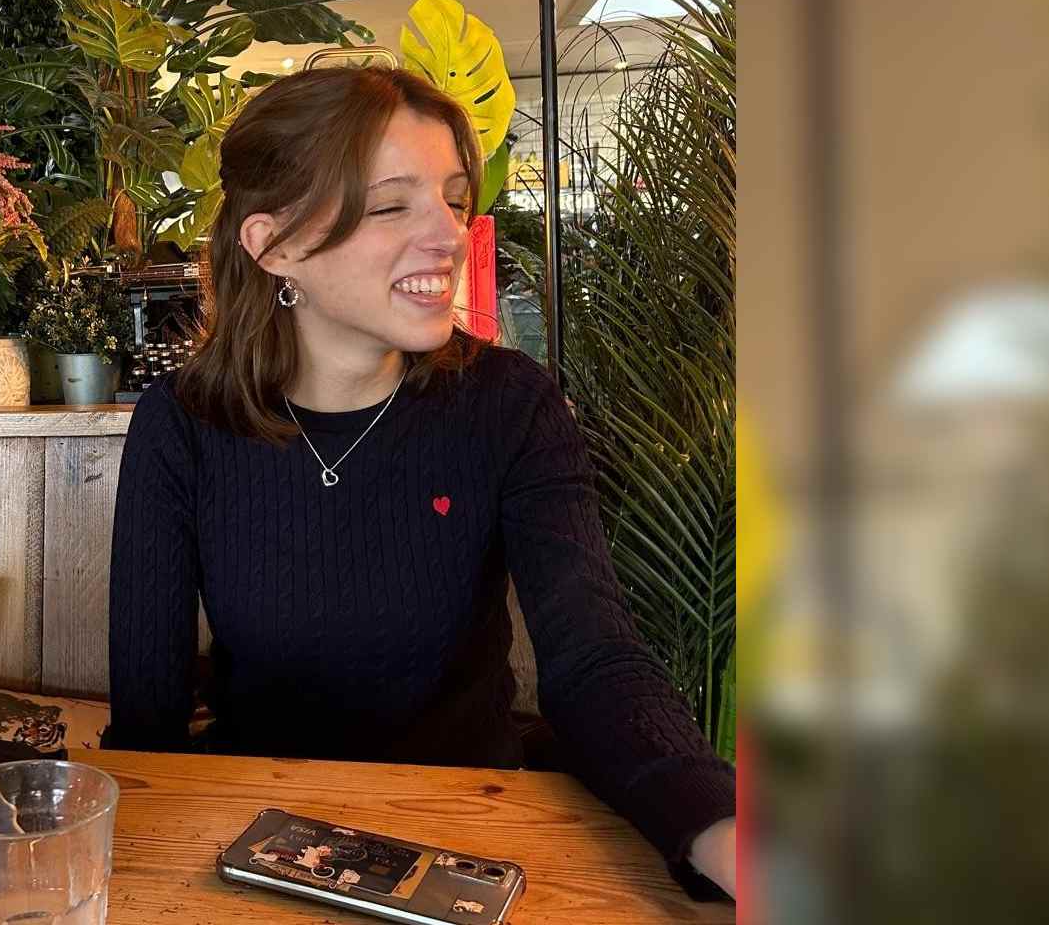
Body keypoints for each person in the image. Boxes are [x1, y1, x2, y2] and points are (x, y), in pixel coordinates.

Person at [105, 67, 737, 899]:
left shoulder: (511, 407)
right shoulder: (183, 424)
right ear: (273, 243)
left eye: (450, 198)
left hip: (473, 838)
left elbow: (595, 662)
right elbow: (148, 723)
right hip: (255, 846)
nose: (449, 233)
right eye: (392, 203)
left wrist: (720, 831)